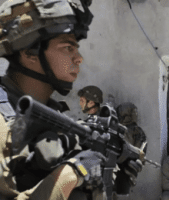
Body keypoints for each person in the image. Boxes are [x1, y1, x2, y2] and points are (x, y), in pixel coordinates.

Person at [0, 0, 107, 200]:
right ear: (30, 51)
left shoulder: (50, 115)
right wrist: (72, 173)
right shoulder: (3, 124)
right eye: (68, 47)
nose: (79, 58)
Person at [77, 87, 143, 196]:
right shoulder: (92, 122)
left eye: (82, 101)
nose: (80, 103)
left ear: (91, 102)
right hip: (92, 175)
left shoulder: (103, 124)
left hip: (102, 178)